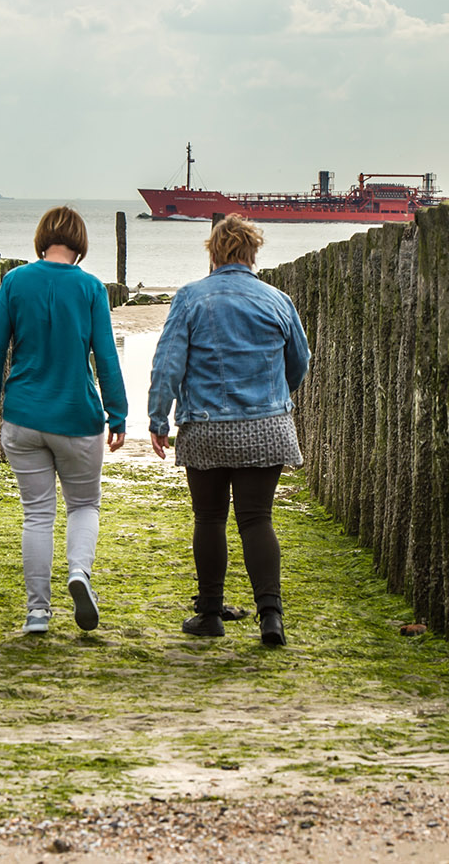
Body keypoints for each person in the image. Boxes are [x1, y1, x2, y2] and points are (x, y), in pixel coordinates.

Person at [146, 214, 310, 646]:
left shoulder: (191, 299)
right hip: (267, 427)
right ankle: (271, 617)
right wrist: (273, 395)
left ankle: (210, 613)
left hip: (206, 427)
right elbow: (300, 362)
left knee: (210, 517)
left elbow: (168, 364)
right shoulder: (278, 300)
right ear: (253, 253)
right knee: (257, 519)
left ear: (213, 252)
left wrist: (158, 418)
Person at [0, 206, 126, 635]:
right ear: (79, 244)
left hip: (23, 415)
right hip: (77, 416)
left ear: (42, 238)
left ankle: (37, 613)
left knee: (37, 514)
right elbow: (106, 355)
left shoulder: (14, 282)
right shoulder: (91, 287)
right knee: (83, 505)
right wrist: (118, 412)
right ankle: (79, 573)